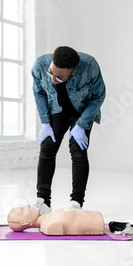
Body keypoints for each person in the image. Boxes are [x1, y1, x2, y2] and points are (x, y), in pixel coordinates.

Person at [31, 46, 106, 214]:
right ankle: (43, 201)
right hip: (56, 110)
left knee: (78, 151)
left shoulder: (89, 65)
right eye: (51, 73)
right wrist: (45, 122)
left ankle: (76, 202)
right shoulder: (39, 65)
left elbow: (98, 96)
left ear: (73, 72)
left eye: (58, 77)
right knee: (47, 149)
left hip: (82, 111)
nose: (52, 79)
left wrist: (81, 125)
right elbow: (39, 93)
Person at [7, 205, 105, 235]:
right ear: (24, 222)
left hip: (97, 217)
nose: (27, 206)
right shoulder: (50, 226)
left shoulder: (48, 218)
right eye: (23, 210)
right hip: (98, 224)